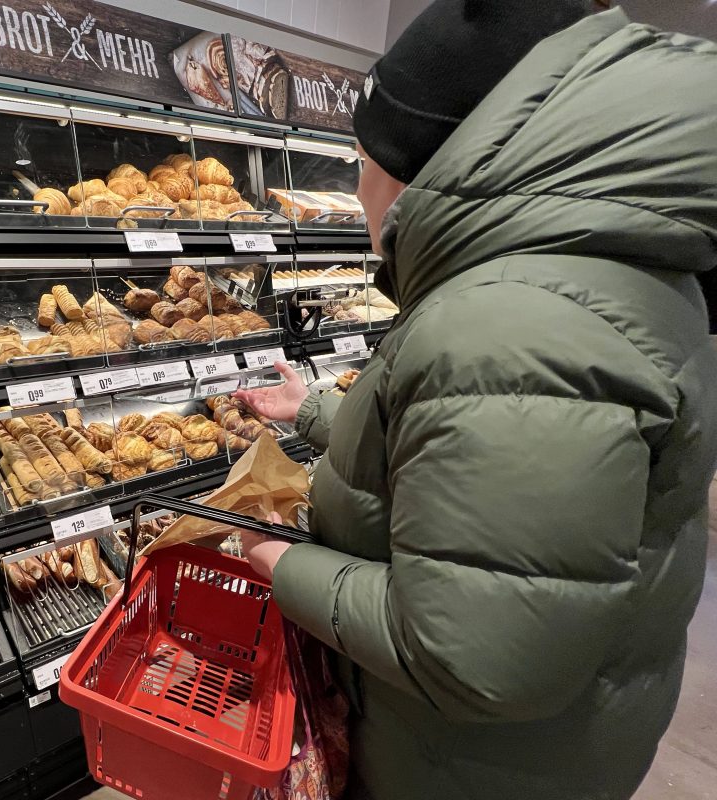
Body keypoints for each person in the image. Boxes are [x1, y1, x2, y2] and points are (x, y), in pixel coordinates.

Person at [234, 2, 717, 799]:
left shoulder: (511, 324)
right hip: (546, 752)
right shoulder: (588, 270)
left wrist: (282, 565)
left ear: (420, 163)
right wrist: (319, 412)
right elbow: (471, 469)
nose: (356, 194)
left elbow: (480, 656)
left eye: (361, 162)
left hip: (463, 768)